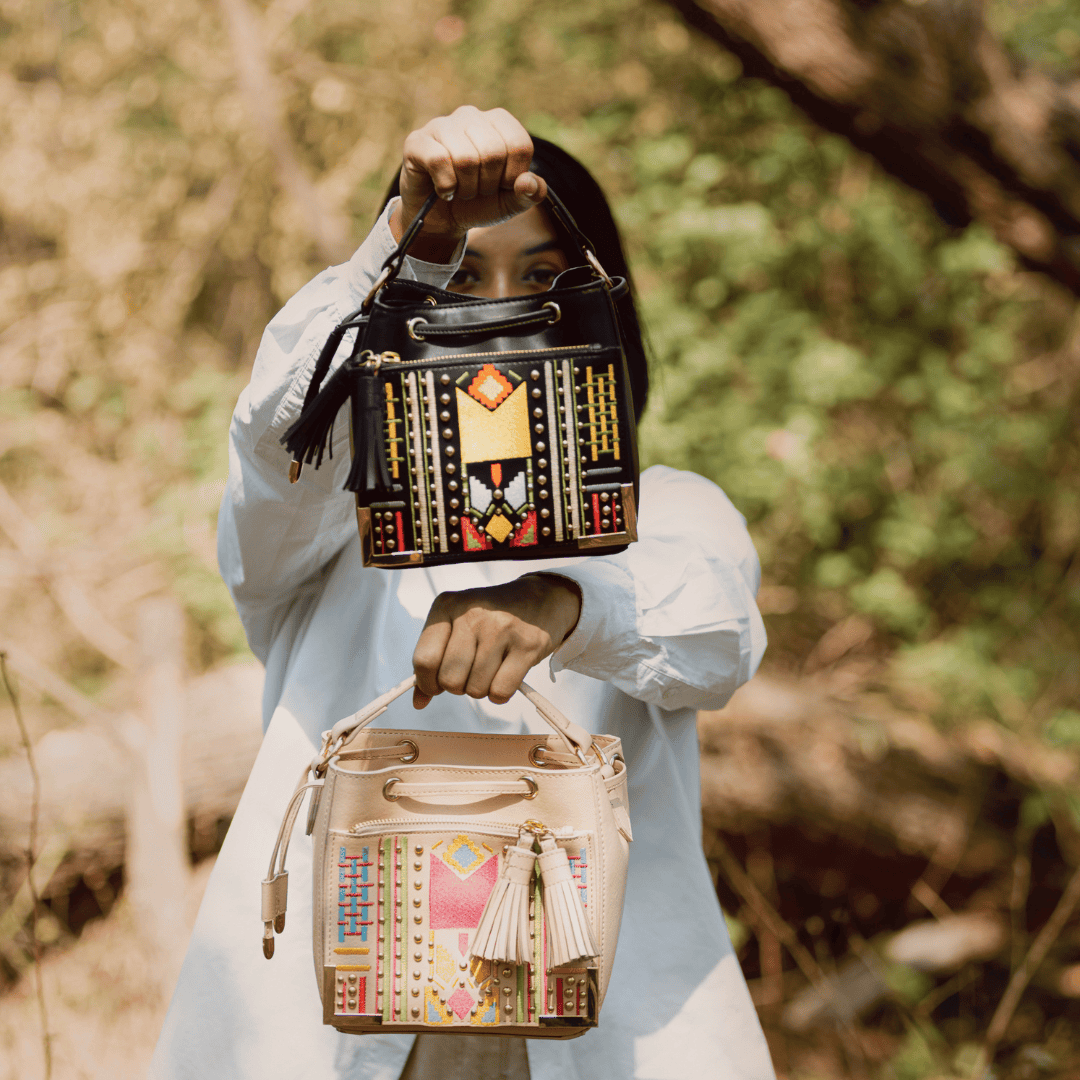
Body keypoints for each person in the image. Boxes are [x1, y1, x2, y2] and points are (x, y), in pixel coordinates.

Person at [150, 106, 776, 1080]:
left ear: (605, 313)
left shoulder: (668, 513)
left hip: (609, 1038)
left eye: (543, 279)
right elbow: (278, 450)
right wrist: (406, 247)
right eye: (462, 279)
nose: (500, 315)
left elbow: (716, 629)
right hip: (331, 1038)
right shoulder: (332, 530)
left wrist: (563, 600)